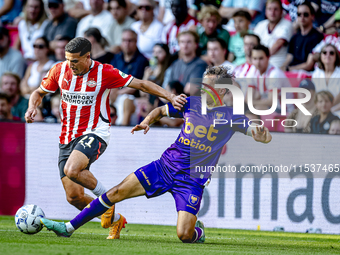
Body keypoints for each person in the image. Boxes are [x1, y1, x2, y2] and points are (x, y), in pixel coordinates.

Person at [40, 65, 272, 242]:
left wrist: (261, 134)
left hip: (191, 181)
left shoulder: (232, 116)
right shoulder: (190, 103)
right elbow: (161, 110)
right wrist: (147, 121)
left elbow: (261, 135)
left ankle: (197, 232)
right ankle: (68, 228)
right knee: (116, 192)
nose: (202, 89)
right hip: (164, 167)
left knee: (184, 235)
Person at [25, 37, 186, 239]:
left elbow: (142, 85)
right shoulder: (59, 70)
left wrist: (171, 97)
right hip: (67, 136)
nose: (70, 65)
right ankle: (117, 219)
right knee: (74, 197)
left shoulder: (104, 72)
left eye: (75, 60)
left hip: (95, 132)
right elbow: (38, 93)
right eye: (68, 60)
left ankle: (107, 201)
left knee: (72, 169)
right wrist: (32, 106)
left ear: (87, 57)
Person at [281, 2, 324, 72]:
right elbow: (289, 58)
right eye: (299, 14)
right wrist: (281, 69)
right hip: (292, 73)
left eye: (305, 14)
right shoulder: (294, 37)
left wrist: (289, 69)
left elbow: (309, 65)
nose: (302, 17)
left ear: (312, 16)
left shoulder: (317, 37)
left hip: (307, 75)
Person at [248, 45, 291, 111]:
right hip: (271, 107)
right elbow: (248, 97)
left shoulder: (274, 73)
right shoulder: (253, 70)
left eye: (261, 58)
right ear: (251, 59)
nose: (258, 62)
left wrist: (250, 103)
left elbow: (271, 102)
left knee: (257, 108)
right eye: (255, 58)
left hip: (285, 110)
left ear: (268, 58)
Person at [253, 0, 293, 68]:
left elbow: (278, 44)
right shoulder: (260, 25)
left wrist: (260, 57)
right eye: (269, 9)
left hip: (276, 66)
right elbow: (253, 44)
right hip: (259, 65)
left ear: (281, 11)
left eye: (276, 9)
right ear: (265, 11)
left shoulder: (287, 24)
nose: (272, 12)